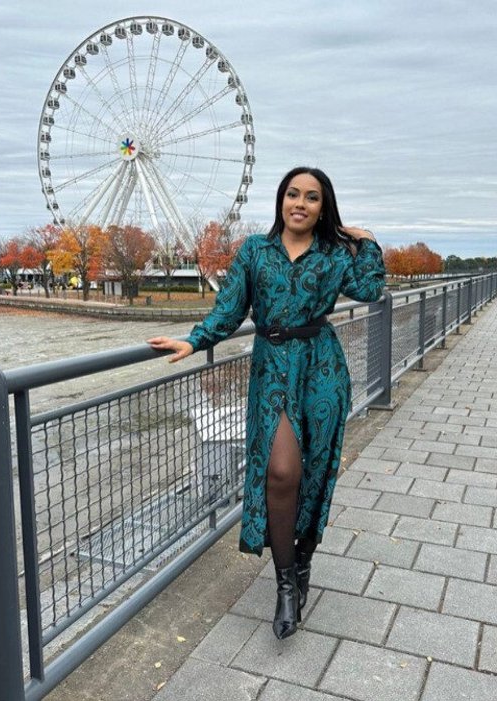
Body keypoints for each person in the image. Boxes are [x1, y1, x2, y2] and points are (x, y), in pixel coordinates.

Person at [147, 167, 385, 639]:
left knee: (314, 472)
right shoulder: (255, 251)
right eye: (292, 194)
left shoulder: (335, 253)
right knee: (281, 473)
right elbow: (229, 309)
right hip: (273, 365)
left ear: (323, 207)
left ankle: (302, 562)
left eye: (311, 197)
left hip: (321, 368)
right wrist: (193, 342)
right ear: (280, 200)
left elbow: (370, 288)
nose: (300, 203)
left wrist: (368, 240)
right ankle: (284, 587)